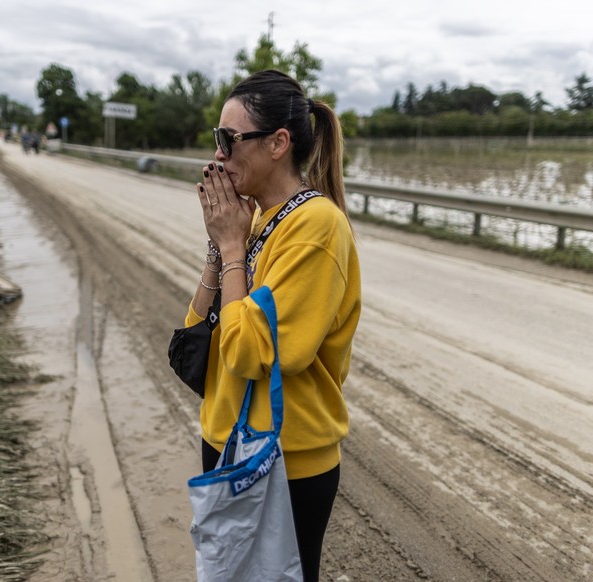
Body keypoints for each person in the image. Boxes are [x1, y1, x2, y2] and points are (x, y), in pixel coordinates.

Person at [183, 69, 361, 581]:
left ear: (279, 143)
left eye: (229, 139)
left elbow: (249, 355)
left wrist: (235, 247)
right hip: (227, 439)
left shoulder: (315, 229)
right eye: (218, 139)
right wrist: (220, 251)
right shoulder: (259, 219)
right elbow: (196, 343)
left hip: (284, 460)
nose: (219, 154)